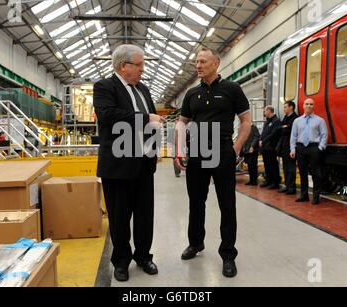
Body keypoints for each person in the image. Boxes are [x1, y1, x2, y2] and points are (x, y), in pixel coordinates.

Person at [175, 48, 252, 278]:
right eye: (196, 61)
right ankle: (196, 243)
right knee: (196, 203)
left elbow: (246, 121)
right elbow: (181, 122)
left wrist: (235, 148)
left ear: (216, 63)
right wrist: (180, 151)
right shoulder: (191, 93)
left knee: (227, 205)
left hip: (222, 152)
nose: (198, 65)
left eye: (203, 61)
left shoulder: (232, 89)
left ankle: (228, 254)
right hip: (197, 153)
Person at [93, 44, 165, 282]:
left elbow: (152, 124)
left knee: (145, 215)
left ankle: (143, 256)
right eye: (140, 65)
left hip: (144, 163)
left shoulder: (143, 89)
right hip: (118, 165)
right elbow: (109, 116)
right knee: (119, 217)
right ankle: (121, 261)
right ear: (124, 66)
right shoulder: (104, 87)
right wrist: (146, 118)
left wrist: (154, 148)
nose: (143, 70)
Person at [290, 98, 328, 205]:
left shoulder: (320, 120)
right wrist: (293, 149)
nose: (309, 106)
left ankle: (316, 197)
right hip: (301, 148)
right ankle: (304, 195)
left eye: (311, 104)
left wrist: (320, 148)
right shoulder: (297, 121)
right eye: (307, 104)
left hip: (314, 148)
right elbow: (293, 136)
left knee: (316, 174)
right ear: (303, 106)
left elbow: (324, 135)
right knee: (302, 173)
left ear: (314, 106)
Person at [277, 101, 299, 195]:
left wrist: (284, 128)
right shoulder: (286, 117)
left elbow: (288, 130)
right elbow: (280, 128)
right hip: (284, 146)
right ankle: (287, 185)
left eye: (285, 107)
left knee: (291, 168)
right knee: (285, 168)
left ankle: (292, 187)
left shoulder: (295, 118)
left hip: (291, 146)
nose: (284, 109)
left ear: (291, 107)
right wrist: (284, 127)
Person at [259, 106, 281, 189]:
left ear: (269, 111)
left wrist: (263, 141)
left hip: (271, 147)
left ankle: (275, 183)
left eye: (265, 111)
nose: (264, 113)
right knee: (267, 165)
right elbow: (263, 133)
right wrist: (260, 140)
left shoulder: (276, 121)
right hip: (265, 147)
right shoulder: (267, 121)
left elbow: (273, 134)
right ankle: (269, 180)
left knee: (273, 165)